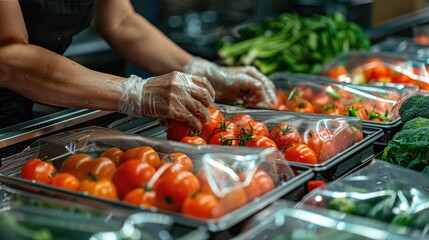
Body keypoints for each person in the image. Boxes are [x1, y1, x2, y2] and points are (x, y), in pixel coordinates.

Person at [0, 0, 277, 130]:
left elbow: (120, 20)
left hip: (23, 104)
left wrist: (203, 70)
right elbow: (9, 56)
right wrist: (136, 93)